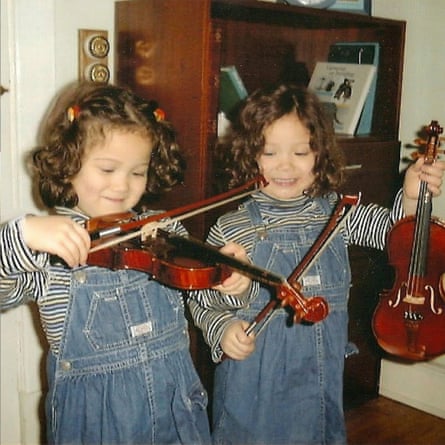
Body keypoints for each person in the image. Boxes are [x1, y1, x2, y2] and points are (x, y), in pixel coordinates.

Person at [188, 83, 445, 445]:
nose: (285, 166)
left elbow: (393, 234)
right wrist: (223, 327)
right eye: (270, 152)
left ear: (319, 154)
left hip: (318, 375)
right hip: (254, 381)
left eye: (300, 152)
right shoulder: (233, 227)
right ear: (250, 156)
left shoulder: (337, 212)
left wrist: (411, 196)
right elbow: (201, 299)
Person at [0, 82, 212, 445]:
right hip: (96, 423)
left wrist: (229, 280)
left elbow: (204, 296)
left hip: (177, 408)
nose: (123, 186)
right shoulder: (51, 245)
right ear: (68, 165)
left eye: (137, 171)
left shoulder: (163, 231)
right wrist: (21, 235)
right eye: (108, 169)